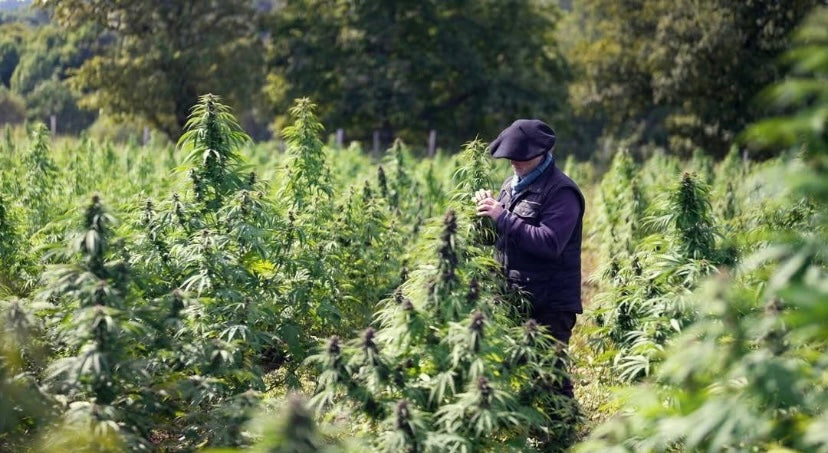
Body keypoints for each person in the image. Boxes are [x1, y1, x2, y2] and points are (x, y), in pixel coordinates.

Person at [474, 119, 585, 398]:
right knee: (519, 374)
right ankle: (535, 435)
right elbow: (499, 238)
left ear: (541, 154)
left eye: (522, 157)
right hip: (516, 295)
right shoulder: (510, 185)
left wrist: (503, 216)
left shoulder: (561, 192)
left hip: (550, 302)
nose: (515, 162)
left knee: (550, 378)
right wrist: (486, 215)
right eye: (511, 157)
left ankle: (563, 437)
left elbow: (549, 243)